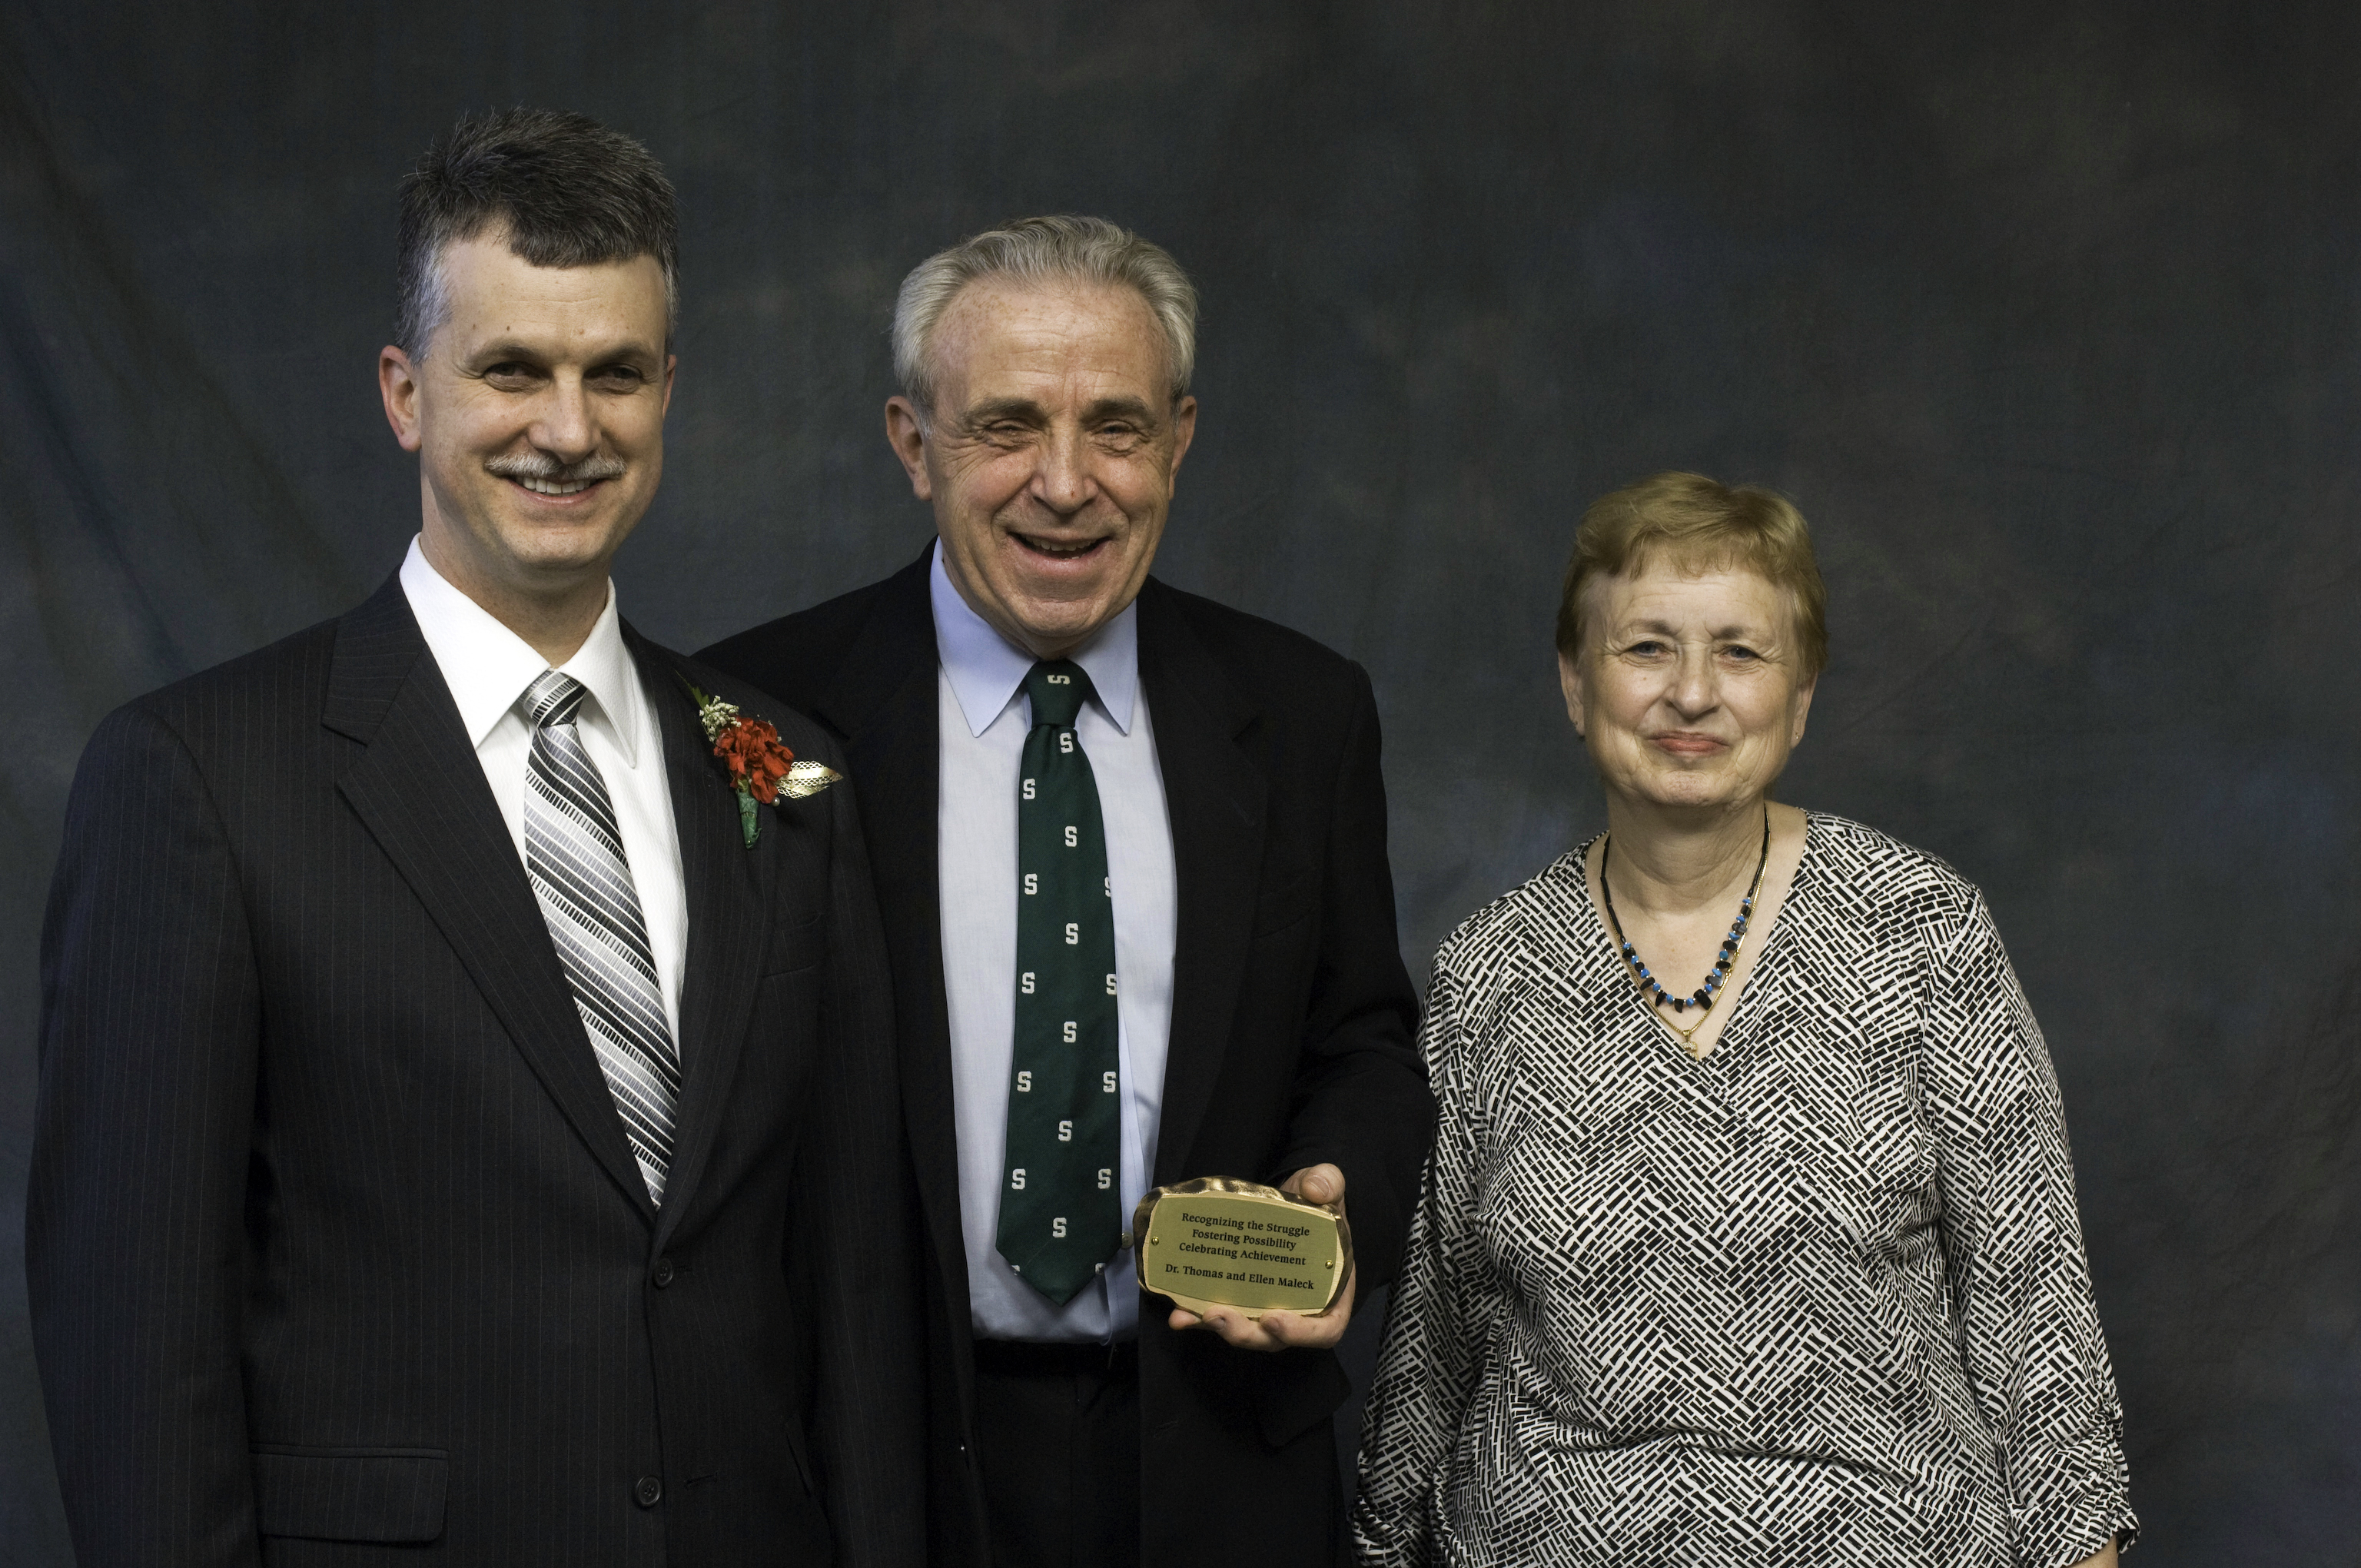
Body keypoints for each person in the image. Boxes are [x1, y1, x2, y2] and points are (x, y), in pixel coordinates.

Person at [27, 108, 924, 1567]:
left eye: (614, 374)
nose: (568, 430)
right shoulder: (198, 780)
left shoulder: (782, 771)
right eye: (511, 368)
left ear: (667, 394)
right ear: (404, 393)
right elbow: (131, 1336)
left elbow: (852, 1295)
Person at [699, 215, 1434, 1567]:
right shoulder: (755, 720)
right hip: (877, 1461)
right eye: (1006, 427)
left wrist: (1343, 1192)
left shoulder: (1303, 710)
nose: (1065, 481)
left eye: (1116, 425)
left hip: (1217, 1455)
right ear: (913, 444)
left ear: (1182, 440)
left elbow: (1364, 1043)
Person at [1351, 473, 2136, 1567]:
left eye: (1740, 652)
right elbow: (1432, 1341)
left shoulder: (1922, 931)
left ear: (1800, 695)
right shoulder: (1491, 968)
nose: (1692, 694)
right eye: (1646, 648)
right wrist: (1385, 1544)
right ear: (1575, 686)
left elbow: (2034, 1312)